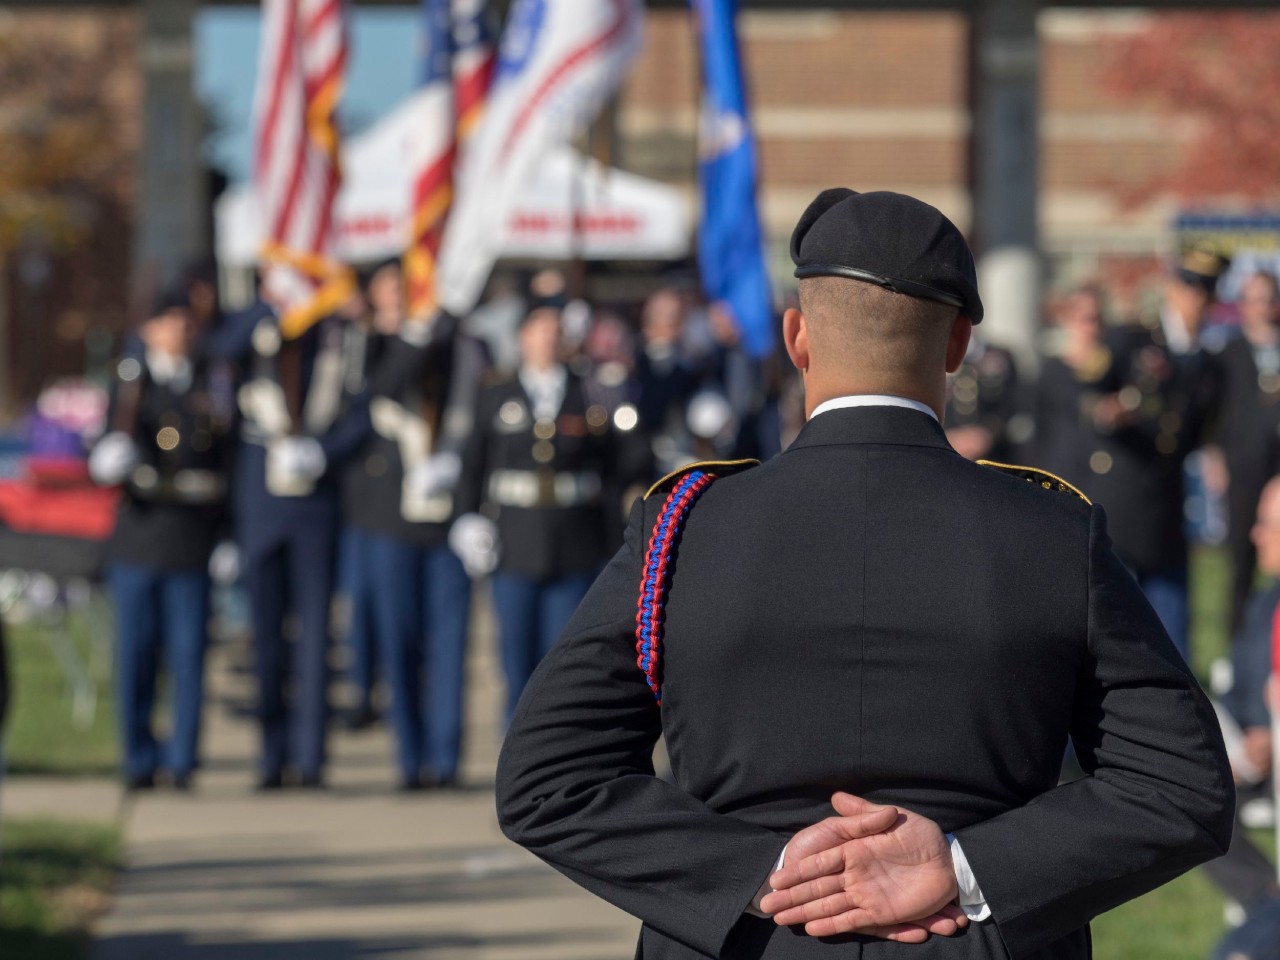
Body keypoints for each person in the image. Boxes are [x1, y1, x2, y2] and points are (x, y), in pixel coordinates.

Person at [495, 188, 1234, 959]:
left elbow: (548, 779)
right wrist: (965, 868)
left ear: (796, 336)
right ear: (957, 346)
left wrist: (768, 871)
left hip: (751, 941)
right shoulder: (1053, 531)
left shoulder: (684, 530)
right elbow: (1180, 785)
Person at [348, 259, 492, 790]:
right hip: (390, 517)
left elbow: (487, 413)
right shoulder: (371, 343)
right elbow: (377, 392)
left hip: (450, 517)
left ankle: (445, 757)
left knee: (449, 642)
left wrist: (464, 475)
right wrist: (414, 337)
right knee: (398, 638)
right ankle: (410, 759)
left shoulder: (466, 343)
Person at [90, 289, 235, 790]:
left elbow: (226, 463)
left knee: (188, 657)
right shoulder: (129, 383)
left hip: (191, 540)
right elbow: (105, 439)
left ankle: (182, 759)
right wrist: (104, 458)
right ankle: (137, 758)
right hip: (139, 538)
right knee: (135, 656)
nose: (181, 331)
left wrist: (228, 537)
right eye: (170, 322)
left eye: (186, 323)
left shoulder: (212, 383)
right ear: (149, 329)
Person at [452, 291, 617, 725]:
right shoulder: (496, 393)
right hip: (515, 541)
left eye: (555, 330)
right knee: (517, 663)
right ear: (521, 337)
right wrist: (467, 517)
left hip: (574, 542)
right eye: (540, 328)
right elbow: (474, 463)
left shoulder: (589, 391)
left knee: (565, 666)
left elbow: (617, 466)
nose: (549, 337)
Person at [1069, 248, 1228, 659]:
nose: (1198, 300)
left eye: (1207, 291)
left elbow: (1196, 432)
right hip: (1121, 500)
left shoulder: (1208, 363)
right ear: (1173, 288)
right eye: (1190, 287)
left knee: (1173, 637)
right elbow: (1088, 394)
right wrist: (1109, 411)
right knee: (1109, 630)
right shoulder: (1134, 339)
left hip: (1166, 508)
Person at [1203, 474, 1280, 920]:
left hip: (1273, 754)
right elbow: (1237, 688)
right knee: (1185, 790)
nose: (1254, 535)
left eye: (1266, 525)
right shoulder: (1266, 600)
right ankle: (1264, 897)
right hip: (1251, 754)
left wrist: (1271, 737)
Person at [1216, 271, 1280, 634]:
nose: (1260, 307)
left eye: (1267, 298)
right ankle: (1238, 651)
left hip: (1278, 471)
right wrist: (1216, 458)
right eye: (1252, 299)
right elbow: (1216, 415)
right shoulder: (1230, 353)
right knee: (1240, 562)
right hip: (1243, 468)